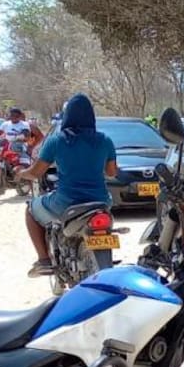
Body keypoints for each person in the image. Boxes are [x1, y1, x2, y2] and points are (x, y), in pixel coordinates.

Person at [19, 93, 118, 276]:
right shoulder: (105, 140)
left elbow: (36, 172)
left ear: (66, 116)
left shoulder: (57, 140)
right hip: (100, 201)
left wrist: (21, 173)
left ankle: (44, 260)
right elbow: (112, 172)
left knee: (31, 210)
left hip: (66, 202)